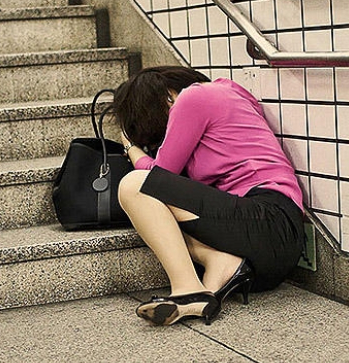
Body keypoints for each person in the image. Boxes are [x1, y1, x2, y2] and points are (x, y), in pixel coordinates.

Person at [113, 66, 304, 326]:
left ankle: (187, 288)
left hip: (269, 218)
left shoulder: (195, 97)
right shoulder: (228, 96)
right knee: (160, 211)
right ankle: (217, 271)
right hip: (264, 254)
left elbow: (158, 175)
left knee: (134, 185)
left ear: (166, 97)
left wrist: (130, 148)